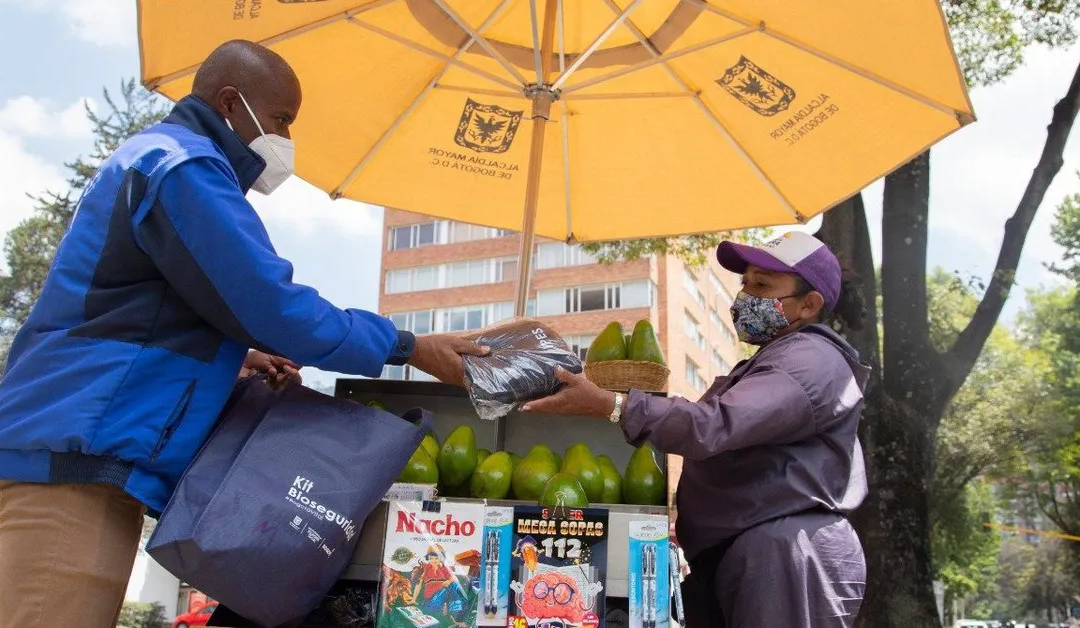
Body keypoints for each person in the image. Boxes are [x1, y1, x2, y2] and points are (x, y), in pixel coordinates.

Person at [0, 40, 485, 628]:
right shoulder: (184, 167)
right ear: (231, 103)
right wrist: (408, 347)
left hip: (71, 452)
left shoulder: (159, 156)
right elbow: (270, 304)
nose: (285, 140)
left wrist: (229, 359)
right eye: (281, 120)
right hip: (70, 467)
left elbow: (144, 311)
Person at [523, 231, 870, 627]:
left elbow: (715, 425)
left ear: (809, 304)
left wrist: (612, 404)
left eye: (762, 285)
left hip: (783, 555)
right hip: (751, 551)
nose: (745, 297)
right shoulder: (778, 358)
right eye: (745, 283)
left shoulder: (809, 361)